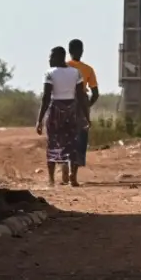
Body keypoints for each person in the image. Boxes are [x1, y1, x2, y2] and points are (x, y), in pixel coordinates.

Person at [36, 46, 89, 187]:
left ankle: (51, 179)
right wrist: (85, 116)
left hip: (55, 110)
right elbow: (81, 96)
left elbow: (46, 97)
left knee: (53, 143)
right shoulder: (76, 73)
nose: (49, 60)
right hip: (72, 110)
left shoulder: (49, 73)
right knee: (72, 142)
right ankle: (73, 176)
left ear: (57, 57)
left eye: (50, 57)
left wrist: (40, 119)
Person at [67, 38, 99, 177]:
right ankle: (73, 172)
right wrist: (86, 106)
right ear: (82, 51)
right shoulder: (88, 69)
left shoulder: (62, 66)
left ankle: (64, 169)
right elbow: (95, 93)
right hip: (81, 103)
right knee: (80, 137)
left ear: (69, 51)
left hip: (64, 101)